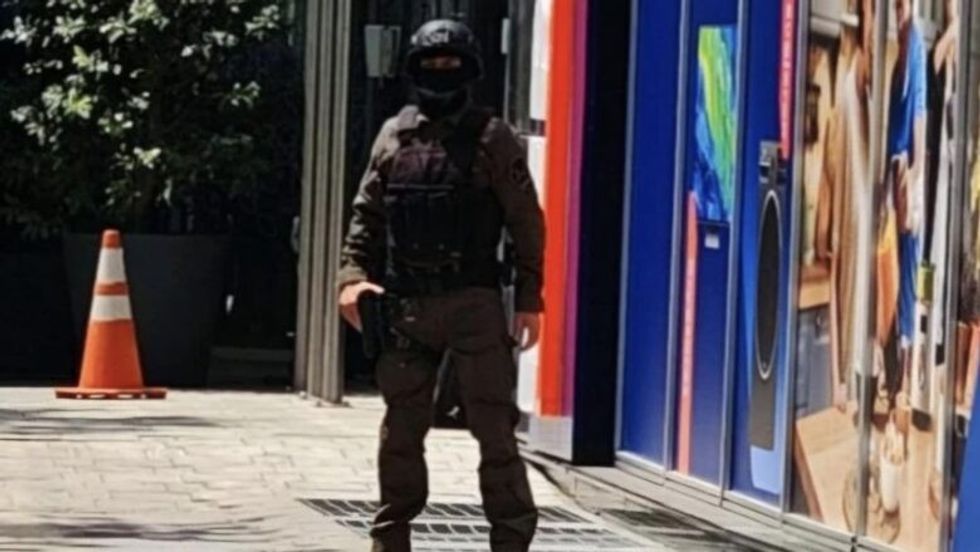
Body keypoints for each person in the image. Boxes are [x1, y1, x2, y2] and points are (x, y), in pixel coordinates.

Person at [336, 19, 544, 552]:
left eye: (451, 63)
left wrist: (529, 298)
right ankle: (389, 540)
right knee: (400, 432)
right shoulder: (395, 134)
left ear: (469, 70)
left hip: (473, 304)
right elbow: (366, 216)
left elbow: (526, 221)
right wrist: (351, 278)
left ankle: (512, 540)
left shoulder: (493, 138)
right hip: (406, 306)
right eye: (431, 64)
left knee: (494, 429)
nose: (440, 72)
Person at [814, 0, 876, 410]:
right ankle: (841, 385)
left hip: (849, 237)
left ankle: (844, 384)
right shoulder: (845, 102)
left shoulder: (856, 99)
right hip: (843, 240)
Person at [886, 0, 928, 403]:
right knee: (895, 273)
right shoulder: (900, 49)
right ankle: (896, 381)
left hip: (903, 173)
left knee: (907, 277)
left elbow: (918, 115)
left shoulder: (913, 47)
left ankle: (903, 384)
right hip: (894, 174)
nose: (900, 14)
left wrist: (913, 178)